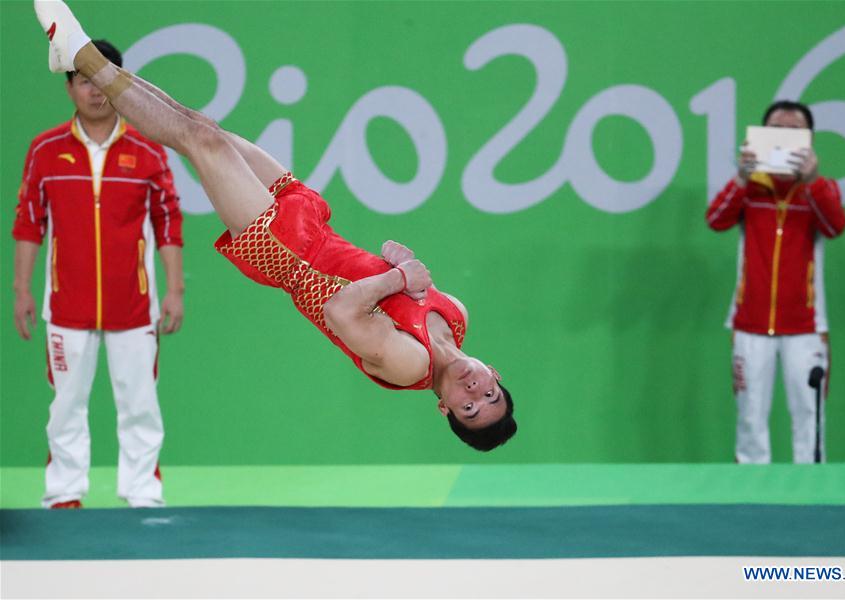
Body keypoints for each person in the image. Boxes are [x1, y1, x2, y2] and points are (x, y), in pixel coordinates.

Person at [31, 0, 516, 451]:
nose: (476, 394)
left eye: (468, 410)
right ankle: (85, 59)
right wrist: (395, 265)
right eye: (491, 396)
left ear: (444, 407)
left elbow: (343, 313)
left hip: (288, 255)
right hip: (312, 222)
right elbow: (384, 288)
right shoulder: (456, 314)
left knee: (201, 142)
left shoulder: (409, 364)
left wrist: (398, 277)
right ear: (495, 374)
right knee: (204, 127)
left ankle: (82, 55)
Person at [13, 36, 184, 508]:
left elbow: (168, 221)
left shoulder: (149, 153)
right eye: (83, 79)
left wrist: (175, 290)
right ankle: (64, 494)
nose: (94, 90)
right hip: (66, 306)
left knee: (140, 405)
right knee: (65, 405)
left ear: (121, 83)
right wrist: (21, 290)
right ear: (69, 86)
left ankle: (142, 493)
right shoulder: (45, 151)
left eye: (102, 79)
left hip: (134, 306)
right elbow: (28, 221)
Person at [706, 100, 845, 464]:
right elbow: (716, 220)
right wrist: (741, 179)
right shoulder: (750, 188)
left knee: (809, 420)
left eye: (793, 132)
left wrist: (812, 182)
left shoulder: (821, 190)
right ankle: (752, 504)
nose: (783, 139)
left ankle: (812, 501)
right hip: (750, 326)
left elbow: (835, 227)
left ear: (809, 141)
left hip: (807, 327)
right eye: (775, 131)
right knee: (750, 420)